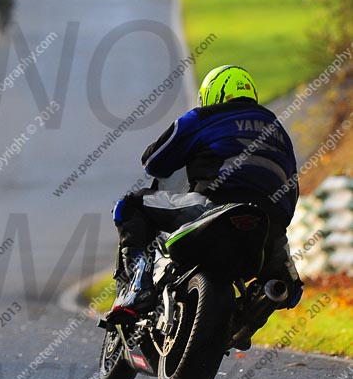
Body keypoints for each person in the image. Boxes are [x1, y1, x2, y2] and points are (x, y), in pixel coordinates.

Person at [110, 64, 303, 323]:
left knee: (129, 205)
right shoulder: (278, 129)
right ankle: (253, 310)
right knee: (287, 287)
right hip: (271, 222)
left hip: (213, 204)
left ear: (211, 95)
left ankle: (137, 286)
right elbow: (292, 185)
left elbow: (153, 161)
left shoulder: (204, 117)